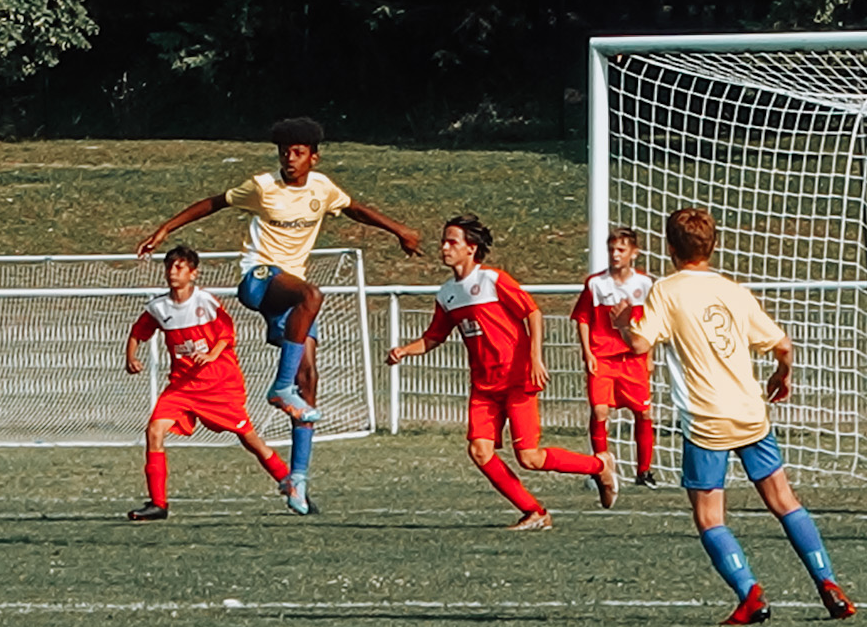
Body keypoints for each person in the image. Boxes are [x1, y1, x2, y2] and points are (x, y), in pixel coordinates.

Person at [138, 117, 421, 514]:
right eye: (284, 152)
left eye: (298, 153)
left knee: (310, 382)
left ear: (314, 158)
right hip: (259, 280)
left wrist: (399, 231)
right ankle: (279, 387)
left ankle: (297, 481)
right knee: (312, 293)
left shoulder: (322, 189)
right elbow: (214, 203)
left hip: (291, 299)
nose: (290, 159)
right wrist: (166, 227)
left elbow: (354, 209)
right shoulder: (263, 187)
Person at [619, 207, 853, 622]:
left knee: (710, 516)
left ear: (670, 248)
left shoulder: (665, 291)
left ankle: (750, 594)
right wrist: (782, 375)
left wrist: (623, 322)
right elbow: (782, 344)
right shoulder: (734, 291)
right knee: (785, 501)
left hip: (706, 419)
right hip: (750, 412)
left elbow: (639, 345)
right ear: (713, 246)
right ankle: (828, 582)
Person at [386, 215, 615, 529]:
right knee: (479, 451)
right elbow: (434, 336)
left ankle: (598, 466)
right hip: (483, 385)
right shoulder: (447, 293)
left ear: (471, 248)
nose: (444, 247)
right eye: (444, 241)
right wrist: (404, 350)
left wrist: (535, 358)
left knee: (529, 457)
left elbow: (533, 312)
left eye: (452, 241)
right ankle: (536, 512)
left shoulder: (493, 279)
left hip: (516, 377)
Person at [123, 245, 294, 520]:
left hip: (219, 385)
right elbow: (137, 332)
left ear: (193, 273)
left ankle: (292, 485)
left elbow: (227, 334)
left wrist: (212, 353)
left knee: (251, 440)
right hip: (182, 387)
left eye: (179, 267)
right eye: (169, 267)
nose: (172, 272)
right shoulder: (158, 307)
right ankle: (158, 504)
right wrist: (130, 358)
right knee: (154, 430)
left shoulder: (206, 302)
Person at [570, 226, 657, 486]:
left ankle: (644, 472)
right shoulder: (596, 283)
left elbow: (650, 322)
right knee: (599, 411)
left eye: (621, 249)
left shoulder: (644, 283)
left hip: (633, 359)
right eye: (611, 250)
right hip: (603, 357)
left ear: (634, 253)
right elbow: (583, 318)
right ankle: (601, 469)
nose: (615, 254)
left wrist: (649, 355)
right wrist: (587, 352)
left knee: (644, 413)